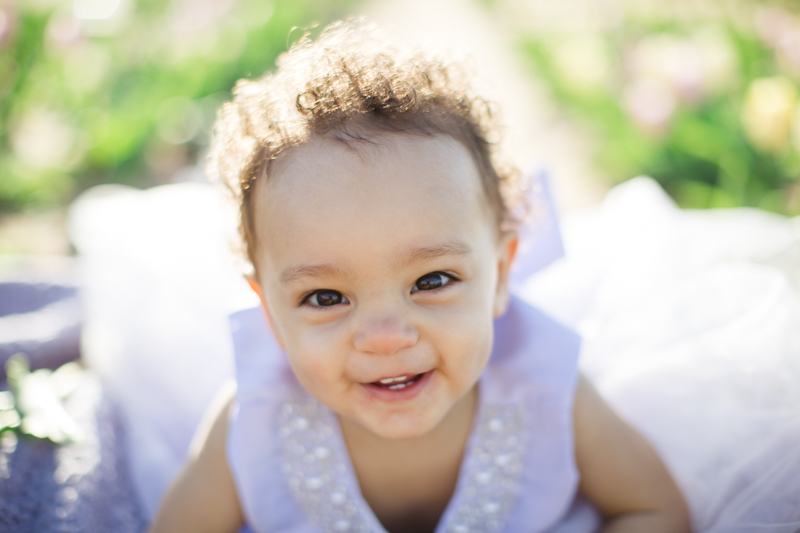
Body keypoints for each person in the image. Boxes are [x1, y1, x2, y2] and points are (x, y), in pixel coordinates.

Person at [147, 20, 691, 533]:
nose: (386, 336)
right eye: (326, 296)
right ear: (269, 312)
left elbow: (655, 509)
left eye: (431, 282)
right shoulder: (256, 419)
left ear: (500, 275)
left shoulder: (546, 387)